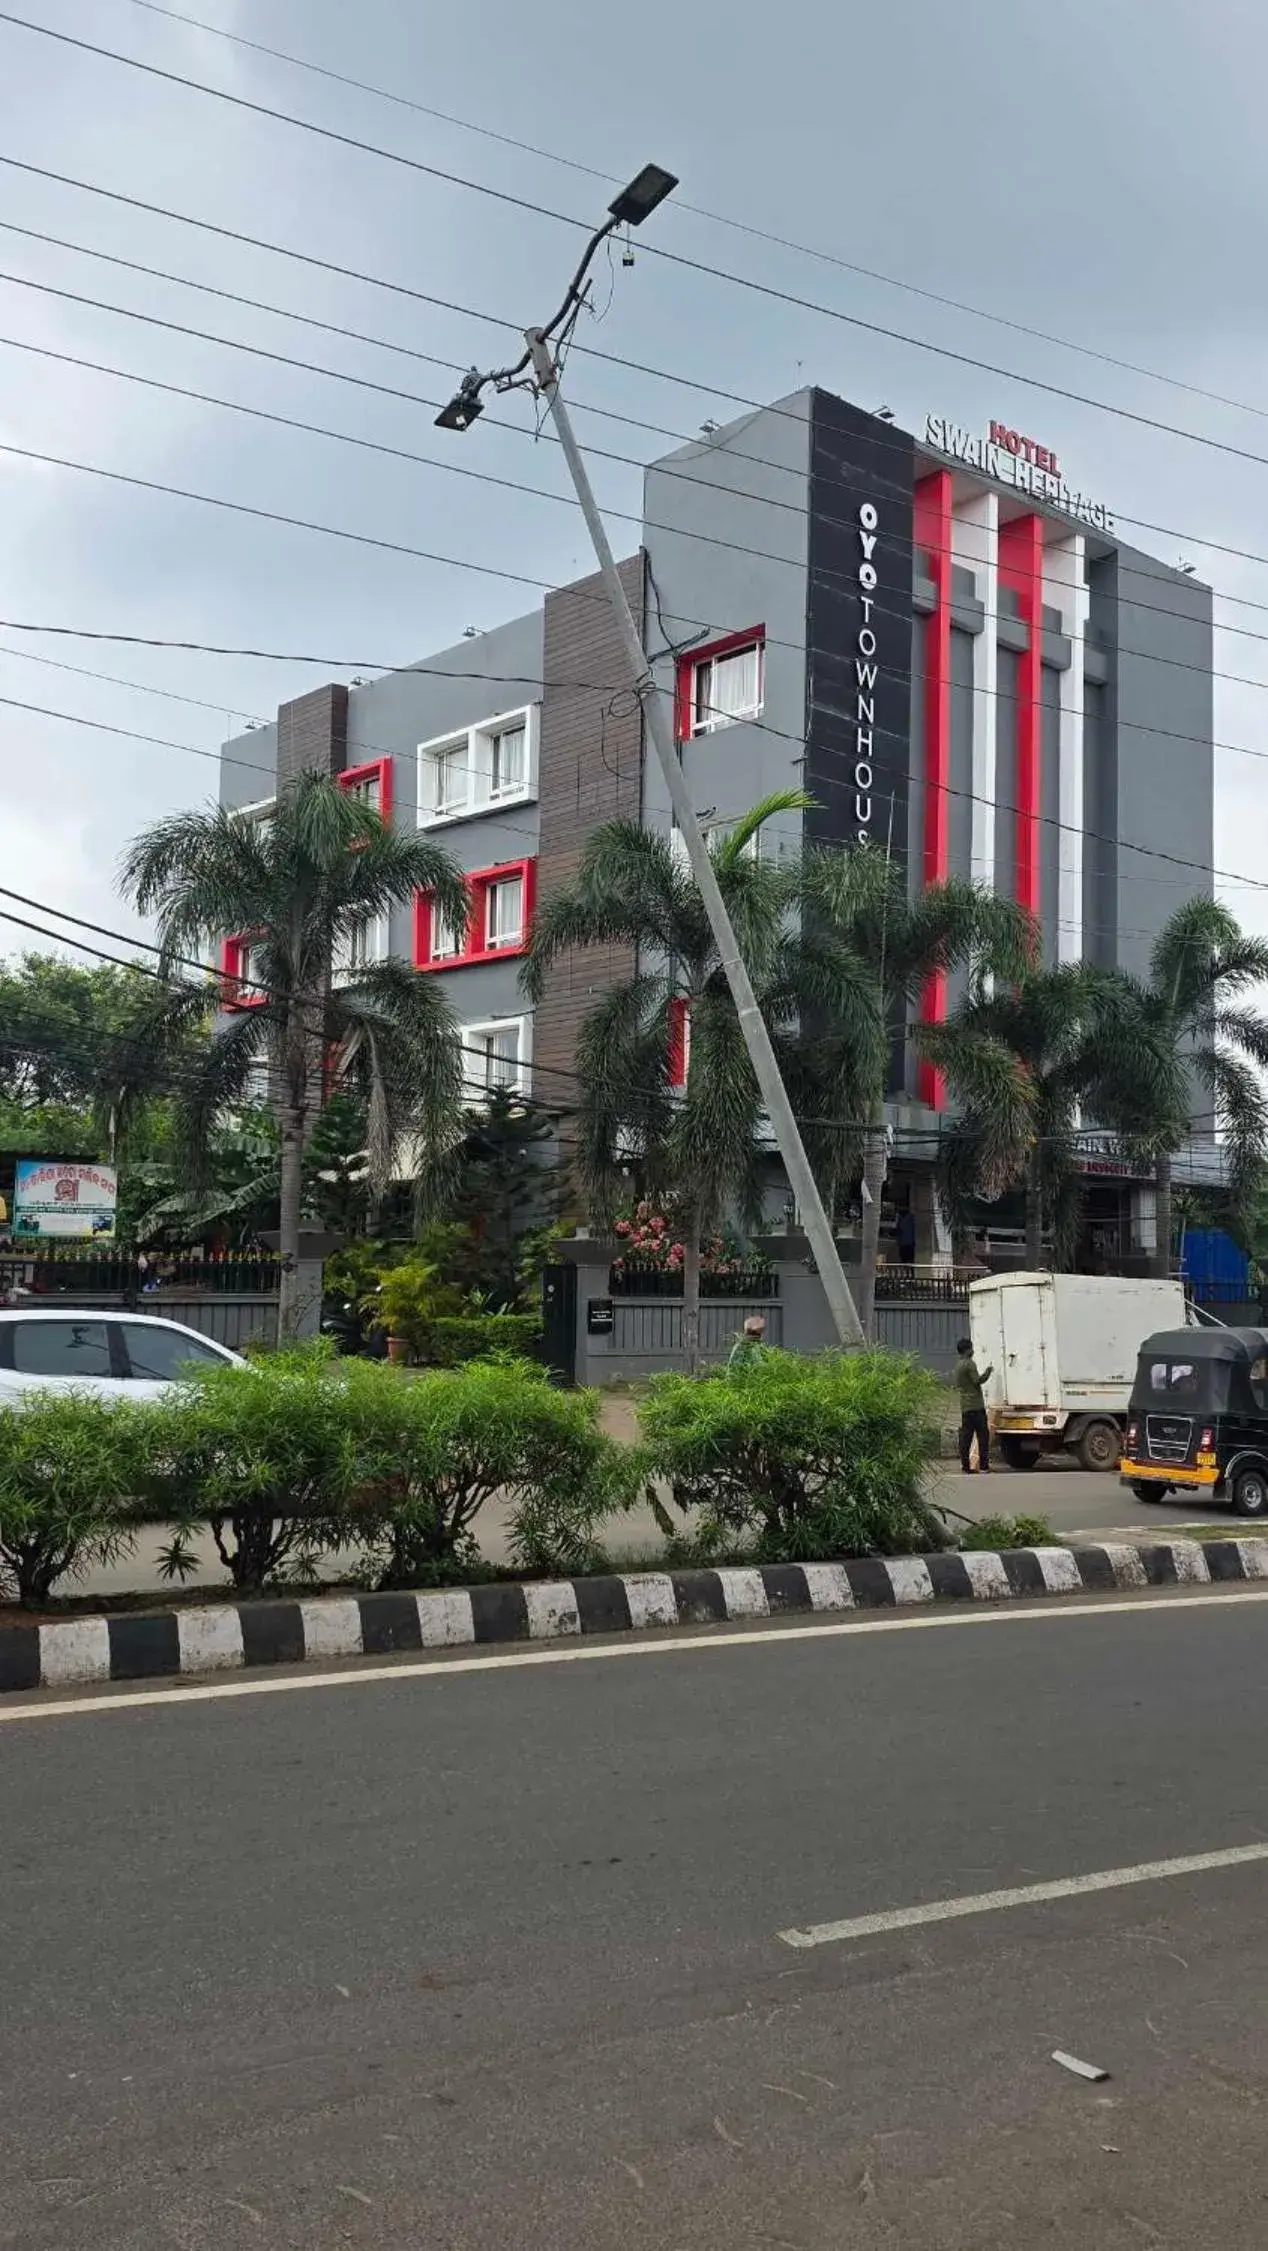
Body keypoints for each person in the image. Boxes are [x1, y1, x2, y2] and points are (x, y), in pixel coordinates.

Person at [953, 1335, 993, 1473]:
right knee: (983, 1437)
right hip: (976, 1406)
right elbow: (977, 1380)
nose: (973, 1351)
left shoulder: (958, 1365)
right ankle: (983, 1466)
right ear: (967, 1350)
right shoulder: (969, 1363)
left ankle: (965, 1467)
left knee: (966, 1438)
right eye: (971, 1348)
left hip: (965, 1406)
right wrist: (988, 1372)